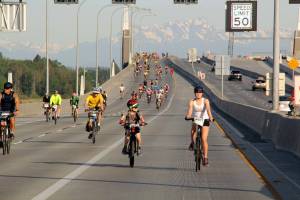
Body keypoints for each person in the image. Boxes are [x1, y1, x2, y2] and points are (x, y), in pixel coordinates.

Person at [185, 86, 214, 166]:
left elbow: (208, 109)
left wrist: (211, 117)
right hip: (196, 118)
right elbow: (190, 111)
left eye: (200, 92)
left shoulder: (206, 101)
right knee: (193, 130)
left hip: (205, 119)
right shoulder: (192, 101)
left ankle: (205, 157)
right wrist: (188, 116)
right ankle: (192, 142)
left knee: (204, 139)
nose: (198, 94)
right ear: (195, 93)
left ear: (202, 93)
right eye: (197, 92)